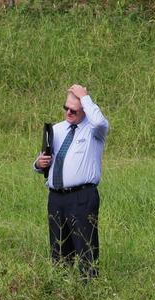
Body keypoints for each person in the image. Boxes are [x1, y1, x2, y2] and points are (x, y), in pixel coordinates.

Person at [34, 84, 109, 278]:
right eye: (66, 108)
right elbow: (43, 158)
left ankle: (89, 287)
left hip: (81, 196)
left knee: (85, 246)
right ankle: (61, 288)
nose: (68, 112)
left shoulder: (94, 131)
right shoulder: (57, 129)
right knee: (58, 249)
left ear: (85, 108)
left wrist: (84, 96)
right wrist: (39, 163)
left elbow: (100, 122)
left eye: (74, 110)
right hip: (56, 197)